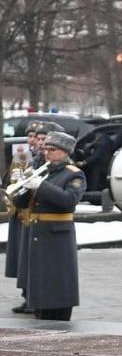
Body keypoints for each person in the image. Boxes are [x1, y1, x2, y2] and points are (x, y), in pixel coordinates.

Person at [13, 131, 84, 321]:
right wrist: (22, 187)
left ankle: (58, 319)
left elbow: (69, 201)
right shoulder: (45, 172)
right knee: (41, 287)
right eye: (46, 149)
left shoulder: (74, 174)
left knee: (57, 285)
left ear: (64, 152)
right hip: (37, 235)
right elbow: (21, 204)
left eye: (52, 150)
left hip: (58, 237)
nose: (47, 153)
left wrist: (41, 186)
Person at [7, 121, 42, 314]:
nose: (32, 140)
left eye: (36, 137)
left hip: (32, 213)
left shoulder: (40, 159)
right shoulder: (24, 155)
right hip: (20, 211)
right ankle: (26, 295)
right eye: (30, 136)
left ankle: (32, 297)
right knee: (21, 259)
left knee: (29, 259)